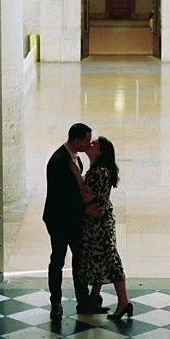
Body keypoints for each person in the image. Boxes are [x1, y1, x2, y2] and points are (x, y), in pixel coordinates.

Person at [43, 123, 109, 320]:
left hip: (73, 219)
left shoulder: (75, 158)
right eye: (87, 140)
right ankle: (56, 302)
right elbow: (61, 197)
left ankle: (83, 301)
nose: (90, 143)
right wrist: (85, 209)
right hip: (59, 219)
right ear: (77, 141)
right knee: (58, 259)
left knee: (80, 260)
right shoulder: (58, 161)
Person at [69, 136, 133, 320]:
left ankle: (123, 302)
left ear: (100, 151)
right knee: (99, 258)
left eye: (94, 143)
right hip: (99, 223)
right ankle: (94, 296)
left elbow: (87, 197)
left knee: (110, 260)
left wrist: (77, 176)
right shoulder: (99, 169)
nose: (91, 143)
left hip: (99, 225)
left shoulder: (98, 172)